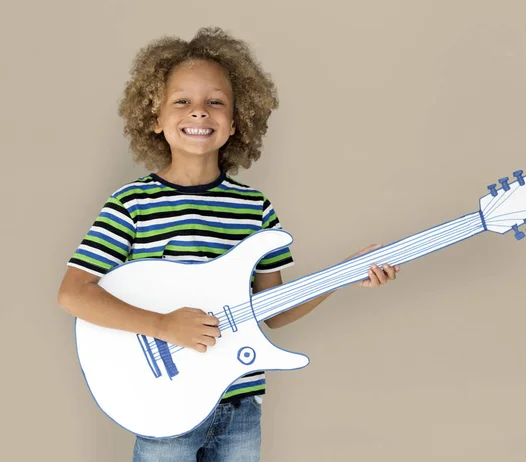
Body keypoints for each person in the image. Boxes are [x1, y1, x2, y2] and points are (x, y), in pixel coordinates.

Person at [57, 26, 400, 462]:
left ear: (237, 121)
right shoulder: (132, 204)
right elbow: (73, 294)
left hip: (240, 408)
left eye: (215, 102)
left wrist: (345, 273)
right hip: (165, 407)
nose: (199, 112)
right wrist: (163, 326)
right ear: (155, 118)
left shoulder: (255, 209)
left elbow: (271, 310)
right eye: (182, 101)